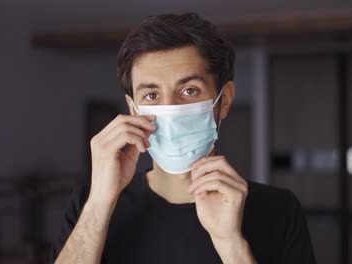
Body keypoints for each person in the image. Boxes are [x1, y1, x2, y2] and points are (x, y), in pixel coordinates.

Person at [51, 12, 316, 264]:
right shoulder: (90, 205)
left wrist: (231, 243)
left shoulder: (278, 211)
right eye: (152, 96)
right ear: (133, 109)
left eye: (189, 90)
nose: (171, 109)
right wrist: (99, 204)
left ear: (224, 101)